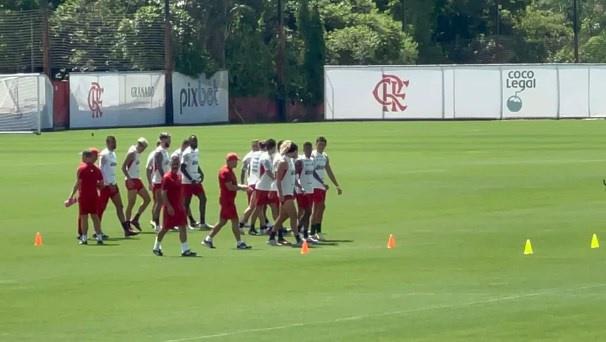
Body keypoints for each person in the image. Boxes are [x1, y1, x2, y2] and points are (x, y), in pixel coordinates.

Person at [202, 153, 252, 250]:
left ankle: (208, 239)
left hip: (228, 200)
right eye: (235, 161)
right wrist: (242, 188)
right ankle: (239, 242)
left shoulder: (229, 171)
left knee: (222, 222)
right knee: (235, 221)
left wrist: (241, 186)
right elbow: (230, 187)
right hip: (227, 200)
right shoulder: (225, 172)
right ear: (230, 161)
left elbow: (233, 184)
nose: (237, 163)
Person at [152, 155, 197, 257]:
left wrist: (182, 205)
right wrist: (168, 206)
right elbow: (163, 193)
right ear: (170, 164)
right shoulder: (167, 177)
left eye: (177, 164)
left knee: (182, 226)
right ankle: (156, 246)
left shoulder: (179, 176)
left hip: (179, 206)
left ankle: (185, 249)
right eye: (174, 164)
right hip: (170, 207)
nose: (175, 166)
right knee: (165, 228)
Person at [98, 136, 138, 237]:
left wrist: (113, 183)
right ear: (107, 143)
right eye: (112, 142)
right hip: (106, 186)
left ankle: (126, 230)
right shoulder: (104, 155)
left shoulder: (114, 154)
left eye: (115, 142)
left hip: (114, 184)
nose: (114, 144)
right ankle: (97, 231)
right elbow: (100, 170)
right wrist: (107, 183)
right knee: (101, 208)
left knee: (119, 206)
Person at [268, 141, 303, 246]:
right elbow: (278, 180)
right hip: (285, 194)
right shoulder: (283, 162)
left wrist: (299, 186)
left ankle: (272, 237)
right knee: (293, 216)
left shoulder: (291, 161)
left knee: (282, 217)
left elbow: (291, 177)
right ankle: (298, 239)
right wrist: (281, 194)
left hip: (289, 192)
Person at [67, 150, 104, 245]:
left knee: (84, 217)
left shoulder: (81, 169)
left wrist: (71, 196)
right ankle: (99, 236)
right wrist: (94, 185)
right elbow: (101, 185)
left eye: (83, 157)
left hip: (84, 196)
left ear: (87, 157)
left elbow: (77, 184)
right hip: (94, 196)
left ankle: (84, 237)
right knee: (95, 216)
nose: (82, 158)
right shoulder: (97, 170)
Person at [310, 136, 343, 240]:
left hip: (321, 186)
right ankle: (313, 232)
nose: (321, 147)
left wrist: (336, 185)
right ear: (316, 144)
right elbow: (311, 171)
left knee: (321, 208)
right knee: (317, 208)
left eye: (323, 145)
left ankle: (317, 231)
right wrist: (321, 183)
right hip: (314, 185)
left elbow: (329, 171)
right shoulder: (312, 155)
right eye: (319, 144)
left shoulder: (324, 156)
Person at [180, 135, 212, 230]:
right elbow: (182, 168)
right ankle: (184, 224)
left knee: (203, 199)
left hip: (196, 180)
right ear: (189, 142)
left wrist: (201, 173)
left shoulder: (196, 151)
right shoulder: (186, 153)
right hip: (187, 182)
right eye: (193, 141)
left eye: (196, 141)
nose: (195, 143)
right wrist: (191, 179)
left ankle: (202, 223)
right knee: (186, 203)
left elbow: (195, 164)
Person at [121, 137, 151, 232]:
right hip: (131, 180)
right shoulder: (132, 153)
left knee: (147, 199)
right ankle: (127, 224)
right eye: (144, 148)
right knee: (131, 203)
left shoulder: (137, 153)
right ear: (140, 145)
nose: (143, 150)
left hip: (137, 179)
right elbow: (123, 167)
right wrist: (129, 178)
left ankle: (136, 218)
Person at [253, 139, 279, 235]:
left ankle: (277, 228)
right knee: (258, 208)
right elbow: (268, 171)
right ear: (272, 147)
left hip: (269, 187)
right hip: (263, 186)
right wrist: (276, 180)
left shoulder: (272, 156)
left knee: (273, 207)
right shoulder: (265, 157)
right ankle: (253, 226)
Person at [295, 141, 318, 243]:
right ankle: (299, 229)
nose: (308, 151)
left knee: (308, 213)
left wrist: (322, 183)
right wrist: (300, 186)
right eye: (307, 149)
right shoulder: (300, 160)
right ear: (304, 149)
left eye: (310, 149)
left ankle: (304, 233)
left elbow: (313, 173)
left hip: (310, 189)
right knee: (307, 211)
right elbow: (297, 175)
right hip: (302, 191)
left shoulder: (312, 160)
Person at [239, 139, 262, 234]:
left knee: (258, 205)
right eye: (255, 145)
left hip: (258, 183)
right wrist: (242, 184)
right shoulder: (249, 156)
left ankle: (263, 225)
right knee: (253, 205)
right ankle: (241, 224)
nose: (257, 147)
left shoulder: (260, 155)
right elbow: (243, 170)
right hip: (253, 183)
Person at [150, 133, 171, 231]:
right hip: (159, 181)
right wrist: (164, 178)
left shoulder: (165, 151)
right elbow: (159, 167)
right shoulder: (159, 152)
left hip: (164, 180)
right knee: (159, 202)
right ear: (162, 140)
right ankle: (156, 223)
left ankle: (162, 222)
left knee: (163, 202)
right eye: (168, 139)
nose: (169, 141)